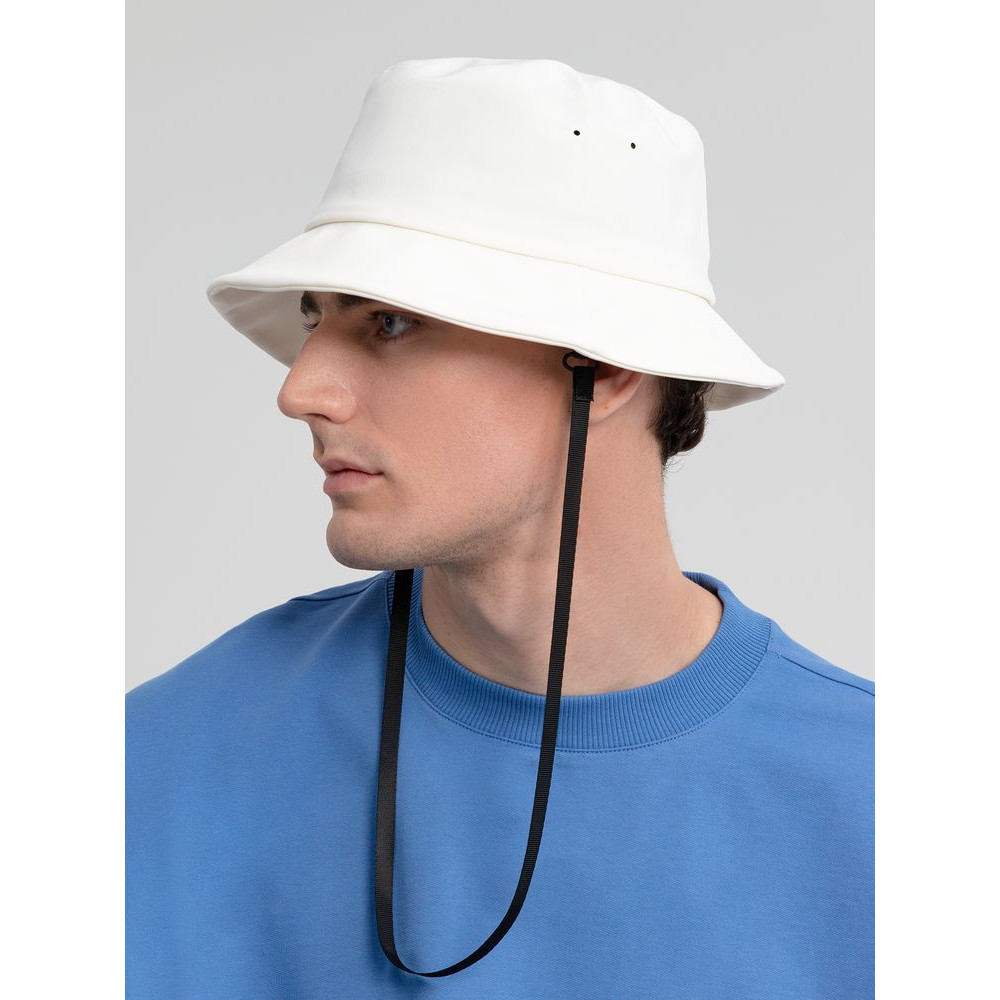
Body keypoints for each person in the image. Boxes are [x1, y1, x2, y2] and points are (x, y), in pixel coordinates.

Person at [126, 57, 874, 997]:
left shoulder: (885, 806)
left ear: (607, 365)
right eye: (316, 318)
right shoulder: (156, 764)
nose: (300, 388)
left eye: (389, 322)